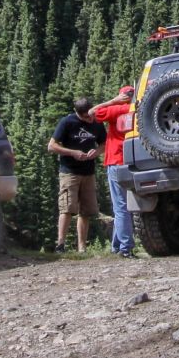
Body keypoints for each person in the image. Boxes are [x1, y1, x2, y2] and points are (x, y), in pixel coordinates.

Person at [46, 97, 103, 251]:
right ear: (77, 113)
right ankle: (60, 244)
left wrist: (96, 152)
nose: (89, 119)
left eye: (90, 115)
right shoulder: (67, 122)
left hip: (88, 172)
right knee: (67, 208)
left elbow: (104, 143)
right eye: (85, 116)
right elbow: (51, 146)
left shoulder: (97, 122)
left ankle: (82, 247)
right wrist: (73, 153)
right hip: (69, 172)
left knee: (86, 211)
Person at [88, 85, 137, 257]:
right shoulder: (138, 108)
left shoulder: (116, 109)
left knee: (121, 207)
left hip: (116, 161)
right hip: (137, 162)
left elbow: (91, 113)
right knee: (127, 206)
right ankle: (117, 246)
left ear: (122, 96)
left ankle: (125, 247)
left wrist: (113, 101)